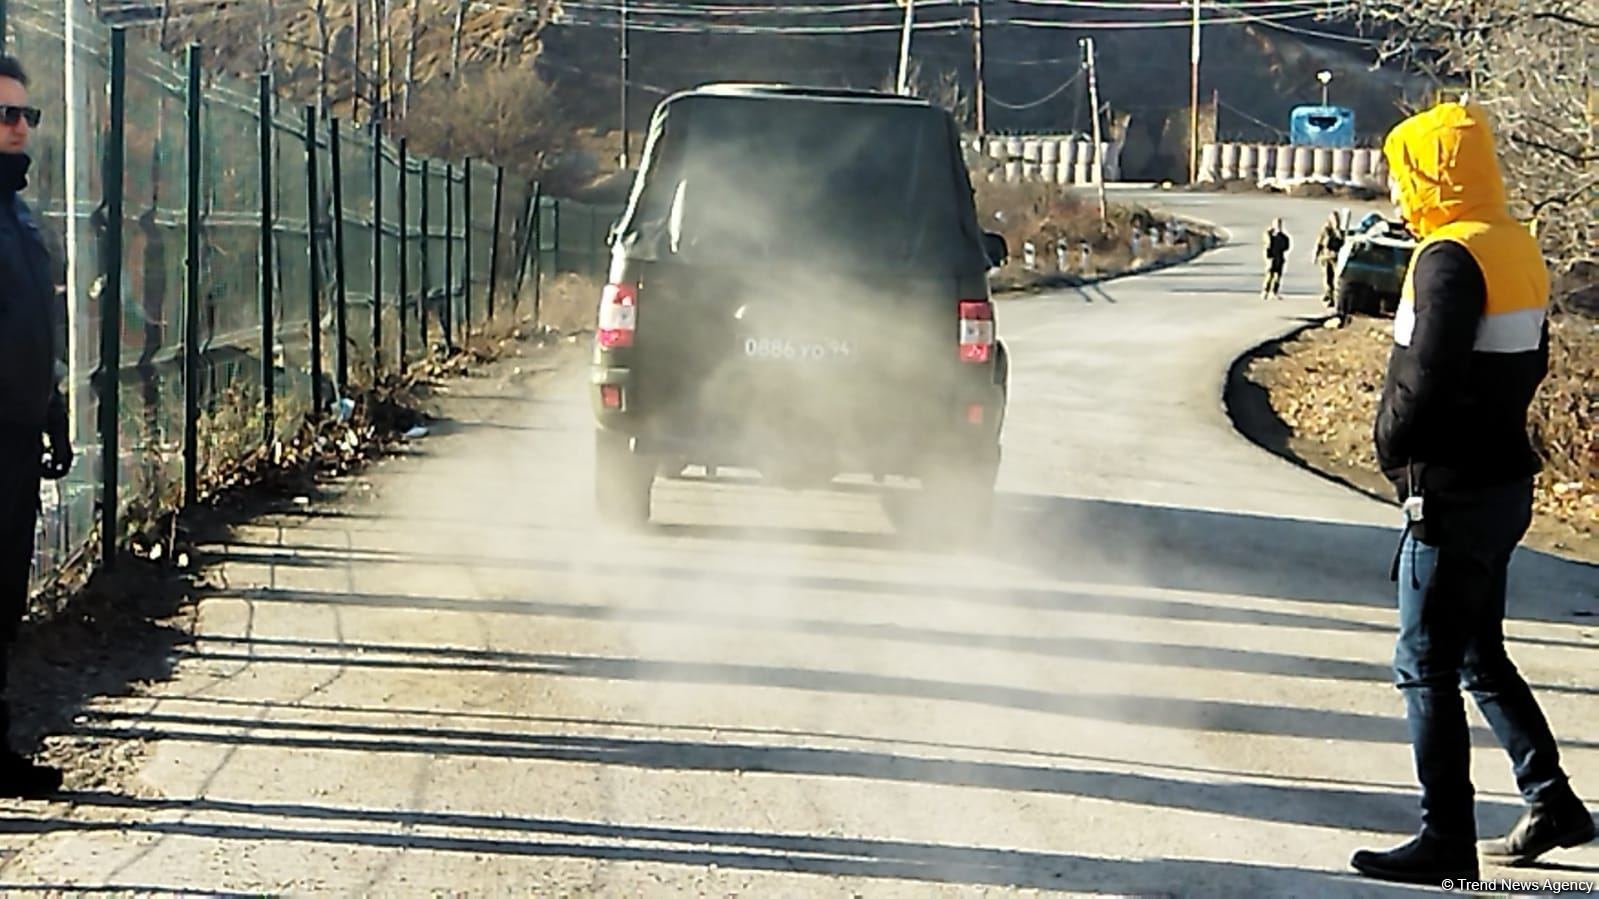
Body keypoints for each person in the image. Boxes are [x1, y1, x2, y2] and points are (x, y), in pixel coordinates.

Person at [1351, 101, 1594, 886]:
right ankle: (1550, 799)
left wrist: (1389, 446)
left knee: (1421, 659)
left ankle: (1443, 838)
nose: (1395, 186)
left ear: (1433, 172)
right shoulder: (1515, 246)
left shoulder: (1447, 257)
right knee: (1476, 650)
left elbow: (1425, 375)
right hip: (1501, 481)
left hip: (1448, 490)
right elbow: (1528, 363)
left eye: (1404, 169)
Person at [0, 55, 68, 798]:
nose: (19, 128)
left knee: (3, 601)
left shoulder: (20, 216)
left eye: (25, 115)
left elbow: (34, 325)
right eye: (4, 114)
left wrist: (51, 413)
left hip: (17, 438)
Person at [1314, 211, 1345, 308]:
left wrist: (1339, 232)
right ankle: (1329, 297)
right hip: (1326, 257)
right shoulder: (1325, 230)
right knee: (1328, 279)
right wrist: (1315, 255)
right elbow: (1319, 243)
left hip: (1336, 258)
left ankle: (1336, 300)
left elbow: (1344, 243)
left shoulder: (1340, 232)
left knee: (1336, 279)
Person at [1261, 218, 1289, 300]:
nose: (1279, 226)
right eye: (1277, 224)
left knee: (1278, 276)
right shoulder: (1269, 235)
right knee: (1270, 275)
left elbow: (1287, 246)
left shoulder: (1283, 236)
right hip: (1272, 258)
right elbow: (1267, 245)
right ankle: (1265, 291)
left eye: (1280, 224)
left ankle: (1275, 292)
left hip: (1280, 258)